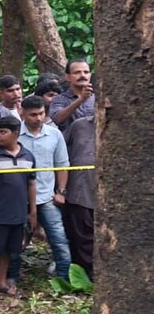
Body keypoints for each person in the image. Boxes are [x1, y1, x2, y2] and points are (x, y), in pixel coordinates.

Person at [0, 116, 38, 296]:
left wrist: (33, 211)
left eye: (3, 132)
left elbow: (31, 184)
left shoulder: (28, 156)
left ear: (15, 134)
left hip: (17, 213)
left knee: (8, 250)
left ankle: (1, 282)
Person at [12, 95, 72, 281]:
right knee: (14, 242)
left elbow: (62, 164)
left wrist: (61, 192)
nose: (38, 118)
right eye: (33, 115)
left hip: (46, 196)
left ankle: (64, 279)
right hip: (18, 199)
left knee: (59, 240)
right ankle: (11, 278)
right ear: (23, 114)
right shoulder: (13, 134)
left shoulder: (54, 134)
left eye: (41, 114)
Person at [61, 115, 96, 277]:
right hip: (79, 188)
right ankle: (84, 272)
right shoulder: (79, 125)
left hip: (106, 192)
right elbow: (61, 149)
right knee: (80, 233)